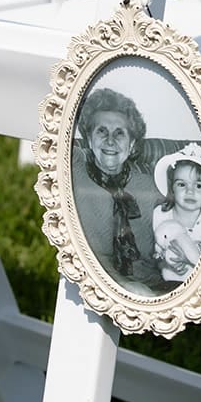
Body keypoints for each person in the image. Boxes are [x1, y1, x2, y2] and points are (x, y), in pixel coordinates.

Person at [71, 86, 168, 294]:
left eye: (119, 133)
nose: (110, 141)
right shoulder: (76, 166)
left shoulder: (150, 185)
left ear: (132, 144)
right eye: (101, 131)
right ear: (88, 139)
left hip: (153, 284)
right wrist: (124, 285)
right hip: (98, 280)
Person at [151, 144, 201, 284]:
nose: (190, 191)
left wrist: (190, 261)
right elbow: (156, 252)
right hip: (167, 282)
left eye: (198, 185)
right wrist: (166, 263)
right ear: (172, 189)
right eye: (182, 184)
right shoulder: (160, 215)